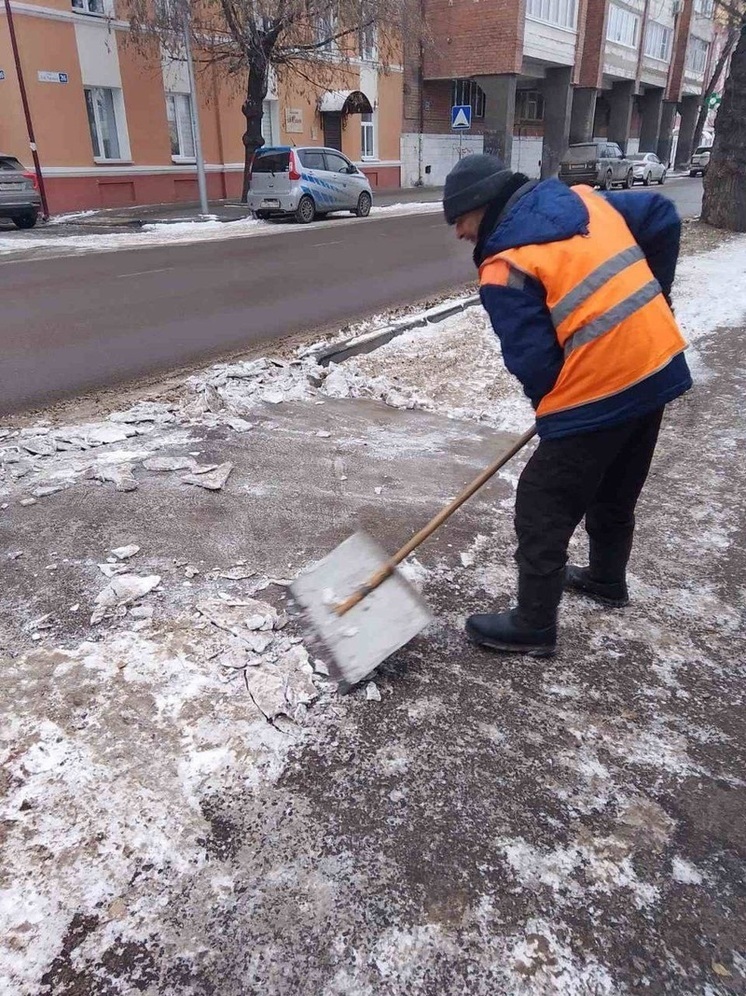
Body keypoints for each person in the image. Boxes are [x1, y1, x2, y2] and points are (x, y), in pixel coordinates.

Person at [442, 154, 692, 658]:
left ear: (483, 209)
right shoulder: (581, 200)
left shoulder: (504, 267)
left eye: (460, 221)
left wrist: (560, 414)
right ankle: (605, 578)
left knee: (541, 500)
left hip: (604, 383)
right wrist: (654, 305)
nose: (458, 234)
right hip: (656, 361)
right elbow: (661, 216)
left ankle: (534, 624)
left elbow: (534, 362)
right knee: (616, 479)